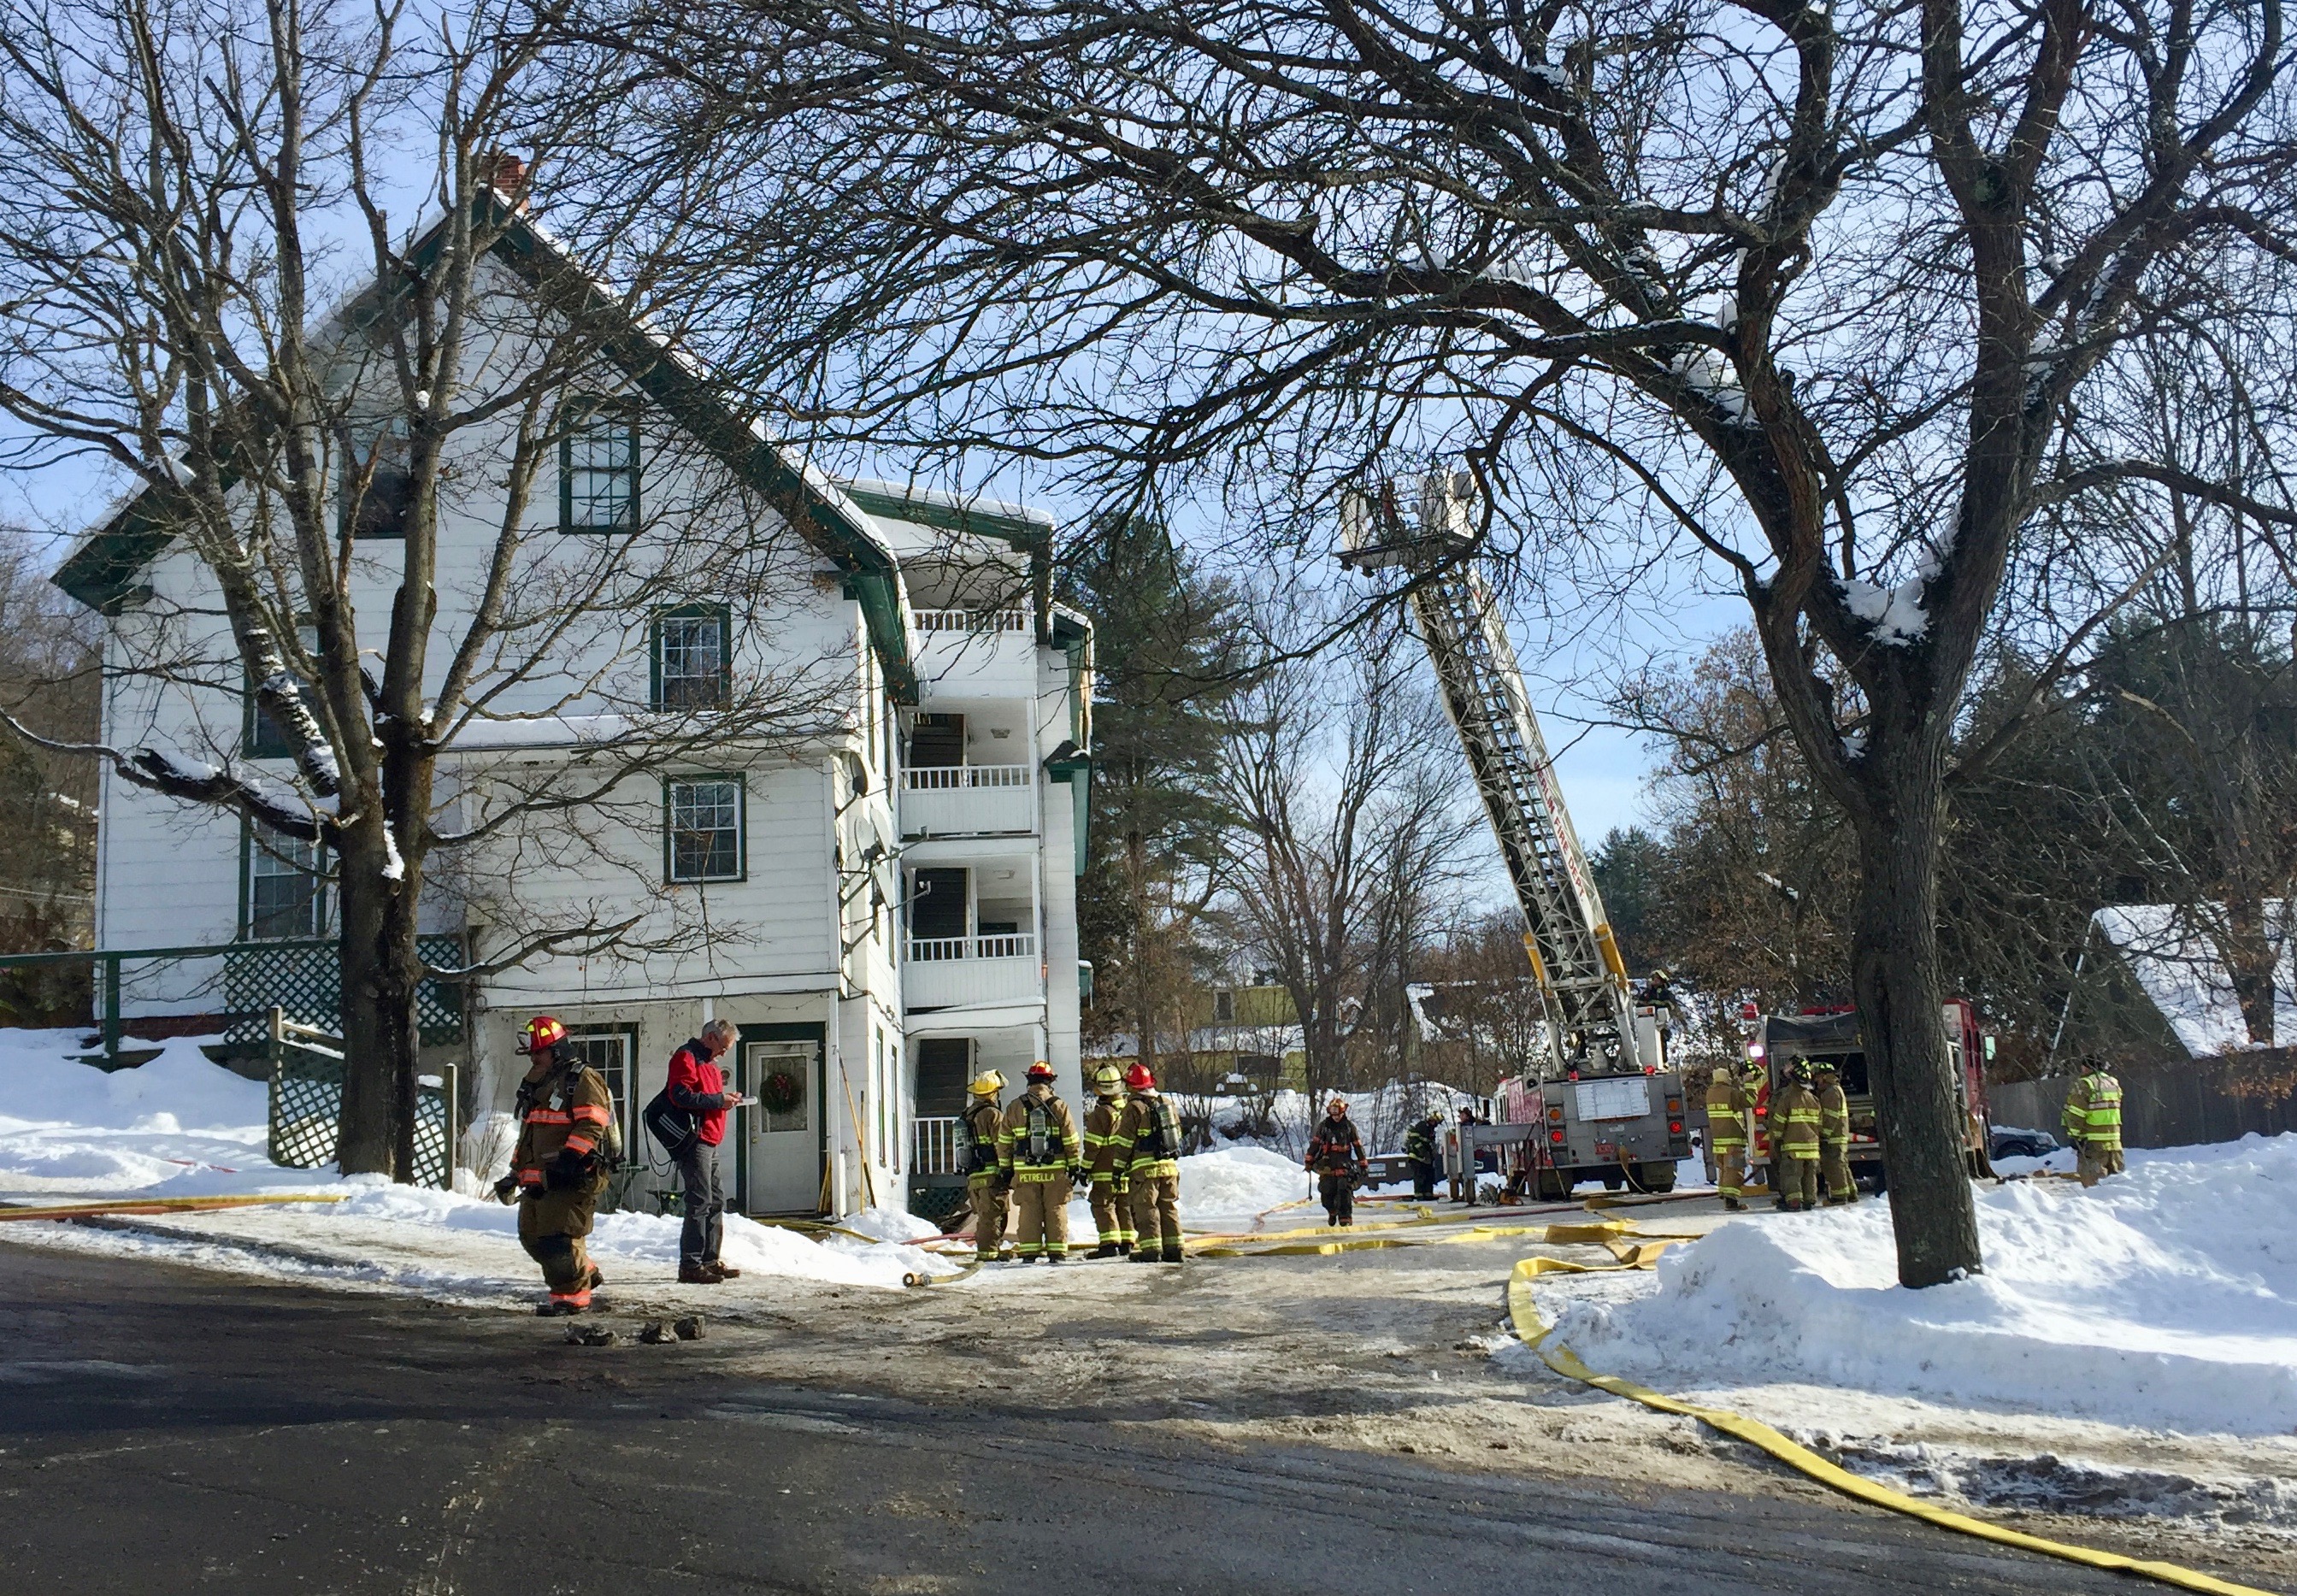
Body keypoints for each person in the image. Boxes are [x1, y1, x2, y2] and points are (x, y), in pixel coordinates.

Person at [504, 1015, 615, 1315]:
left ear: (556, 1050)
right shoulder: (537, 1083)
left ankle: (571, 1300)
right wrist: (514, 1174)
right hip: (540, 1178)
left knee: (558, 1241)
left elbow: (592, 1123)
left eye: (538, 1052)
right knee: (532, 1237)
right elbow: (530, 1133)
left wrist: (570, 1159)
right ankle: (584, 1272)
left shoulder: (581, 1080)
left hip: (572, 1176)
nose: (533, 1058)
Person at [664, 1019, 748, 1284]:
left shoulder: (709, 1065)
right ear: (710, 1038)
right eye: (723, 1046)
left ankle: (709, 1260)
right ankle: (690, 1264)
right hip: (695, 1140)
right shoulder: (686, 1058)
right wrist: (718, 1100)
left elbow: (706, 1099)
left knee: (716, 1200)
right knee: (699, 1201)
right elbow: (680, 1095)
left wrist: (725, 1101)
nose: (725, 1052)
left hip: (710, 1139)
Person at [998, 1062, 1082, 1263]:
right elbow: (1071, 1140)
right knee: (1056, 1208)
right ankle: (1057, 1253)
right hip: (1055, 1170)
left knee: (1029, 1209)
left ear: (1029, 1081)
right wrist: (1074, 1165)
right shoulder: (1059, 1106)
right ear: (1050, 1081)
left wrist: (1006, 1169)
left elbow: (1004, 1142)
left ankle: (1029, 1253)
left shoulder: (1015, 1107)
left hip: (1025, 1171)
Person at [1120, 1063, 1185, 1263]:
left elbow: (1125, 1141)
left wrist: (1118, 1168)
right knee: (1168, 1206)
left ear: (1132, 1086)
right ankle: (1174, 1248)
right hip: (1169, 1167)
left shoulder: (1133, 1107)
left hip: (1145, 1170)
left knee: (1146, 1207)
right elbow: (1178, 1133)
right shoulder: (1167, 1103)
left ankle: (1151, 1249)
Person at [1081, 1063, 1136, 1257]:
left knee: (1103, 1204)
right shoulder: (1129, 1109)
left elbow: (1093, 1146)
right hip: (1126, 1169)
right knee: (1124, 1203)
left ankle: (1109, 1244)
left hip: (1105, 1170)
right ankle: (1128, 1241)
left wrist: (1084, 1169)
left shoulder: (1101, 1113)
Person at [959, 1069, 1010, 1263]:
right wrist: (1008, 1169)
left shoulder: (966, 1115)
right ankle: (989, 1254)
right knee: (993, 1216)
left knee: (984, 1215)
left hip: (974, 1176)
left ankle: (990, 1251)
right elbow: (1002, 1145)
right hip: (992, 1175)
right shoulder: (992, 1114)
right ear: (993, 1093)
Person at [1305, 1097, 1367, 1227]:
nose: (1337, 1117)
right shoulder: (1324, 1127)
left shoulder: (1349, 1127)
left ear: (1343, 1113)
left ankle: (1346, 1219)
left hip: (1345, 1165)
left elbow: (1358, 1146)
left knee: (1344, 1191)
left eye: (1339, 1114)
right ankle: (1332, 1212)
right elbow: (1315, 1144)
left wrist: (1363, 1164)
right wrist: (1309, 1160)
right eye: (1334, 1115)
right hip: (1327, 1166)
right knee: (1326, 1195)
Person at [2062, 1062, 2125, 1187]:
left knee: (2092, 1184)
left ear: (2086, 1067)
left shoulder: (2085, 1084)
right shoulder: (2113, 1082)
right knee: (2116, 1184)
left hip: (2093, 1142)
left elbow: (2077, 1113)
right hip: (2114, 1141)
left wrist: (2074, 1135)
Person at [1772, 1061, 1823, 1213]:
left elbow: (1779, 1121)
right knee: (1809, 1175)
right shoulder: (1814, 1099)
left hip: (1793, 1146)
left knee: (1792, 1174)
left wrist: (1777, 1137)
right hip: (1812, 1146)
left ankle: (1794, 1202)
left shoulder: (1787, 1097)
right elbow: (1819, 1123)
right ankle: (1809, 1200)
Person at [1704, 1061, 1752, 1211]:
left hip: (1719, 1141)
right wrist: (1749, 1082)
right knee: (1734, 1169)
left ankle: (1726, 1197)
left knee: (1724, 1169)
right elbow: (1750, 1101)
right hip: (1733, 1139)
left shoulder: (1710, 1093)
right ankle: (1731, 1202)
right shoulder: (1730, 1092)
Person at [1812, 1061, 1857, 1205]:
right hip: (1837, 1135)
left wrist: (1824, 1135)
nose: (1815, 1081)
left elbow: (1830, 1116)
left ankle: (1839, 1196)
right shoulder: (1832, 1090)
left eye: (1817, 1077)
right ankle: (1851, 1193)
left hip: (1833, 1137)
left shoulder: (1831, 1092)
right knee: (1841, 1165)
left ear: (1825, 1076)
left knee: (1833, 1167)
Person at [1402, 1113, 1440, 1199]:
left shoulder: (1431, 1130)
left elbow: (1429, 1143)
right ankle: (1419, 1195)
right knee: (1419, 1176)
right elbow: (1414, 1139)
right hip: (1416, 1156)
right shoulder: (1422, 1125)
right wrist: (1422, 1151)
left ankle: (1428, 1194)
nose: (1435, 1124)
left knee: (1428, 1175)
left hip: (1425, 1158)